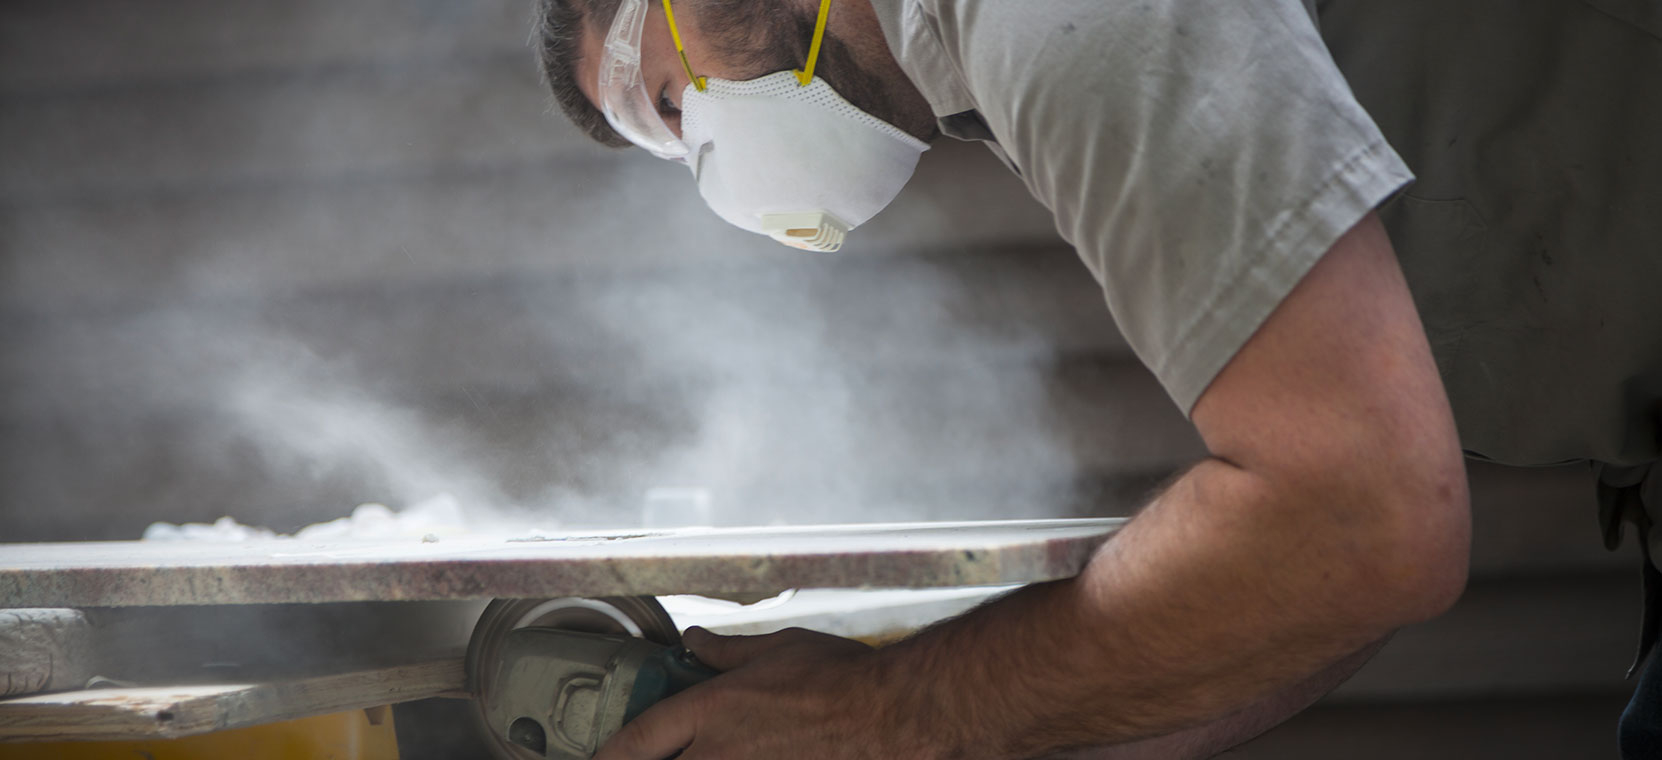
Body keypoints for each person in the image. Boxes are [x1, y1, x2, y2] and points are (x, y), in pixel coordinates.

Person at [532, 0, 1662, 756]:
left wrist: (884, 712)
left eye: (670, 106)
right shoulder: (1001, 58)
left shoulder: (1055, 17)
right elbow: (1322, 574)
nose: (709, 165)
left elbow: (1363, 518)